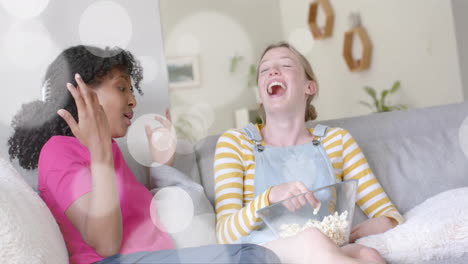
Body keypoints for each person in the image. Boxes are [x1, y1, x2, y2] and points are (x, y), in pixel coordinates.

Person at [7, 45, 280, 264]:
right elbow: (106, 244)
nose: (133, 100)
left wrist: (161, 166)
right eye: (122, 87)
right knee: (253, 256)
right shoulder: (59, 150)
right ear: (82, 93)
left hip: (154, 257)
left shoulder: (109, 149)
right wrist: (100, 152)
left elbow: (134, 220)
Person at [214, 42, 405, 263]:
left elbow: (389, 214)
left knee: (369, 255)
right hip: (262, 254)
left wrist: (381, 223)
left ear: (309, 87)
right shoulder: (235, 143)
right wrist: (269, 198)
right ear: (260, 94)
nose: (273, 71)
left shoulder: (337, 141)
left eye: (286, 65)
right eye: (265, 70)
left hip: (325, 251)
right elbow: (224, 236)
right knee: (312, 238)